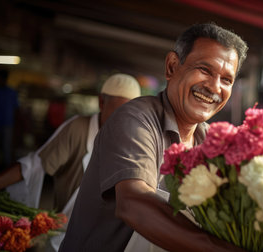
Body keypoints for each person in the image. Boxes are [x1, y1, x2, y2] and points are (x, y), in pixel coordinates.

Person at [59, 23, 252, 252]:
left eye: (226, 80)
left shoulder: (211, 142)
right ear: (171, 66)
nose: (214, 87)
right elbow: (133, 203)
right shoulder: (136, 119)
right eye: (204, 70)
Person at [0, 73, 141, 252]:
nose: (121, 119)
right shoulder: (78, 129)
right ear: (101, 102)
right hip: (65, 231)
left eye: (128, 113)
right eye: (117, 111)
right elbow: (35, 164)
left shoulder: (134, 142)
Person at [0, 69, 19, 172]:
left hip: (7, 125)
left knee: (6, 150)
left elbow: (16, 110)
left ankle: (5, 172)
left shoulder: (11, 92)